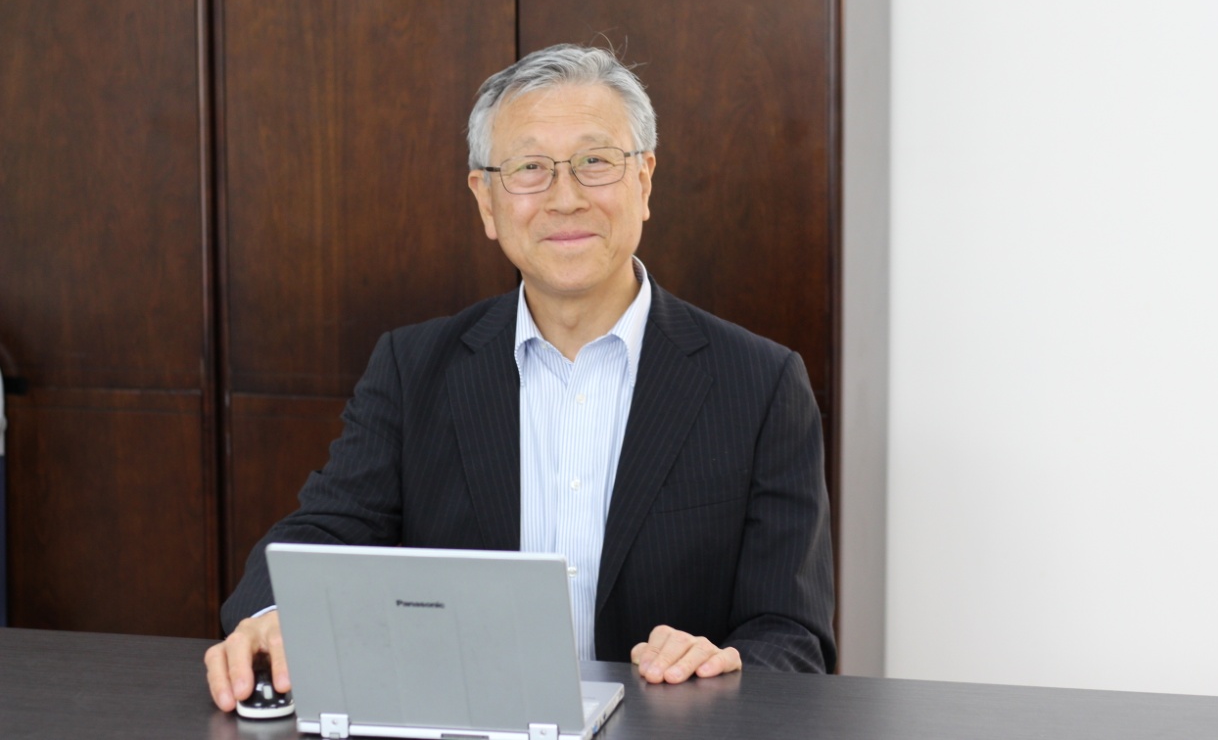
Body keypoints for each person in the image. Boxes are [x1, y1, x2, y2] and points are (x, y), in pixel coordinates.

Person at [205, 44, 836, 713]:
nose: (565, 199)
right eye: (529, 168)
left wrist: (720, 667)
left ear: (644, 180)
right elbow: (323, 533)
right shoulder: (413, 369)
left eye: (595, 162)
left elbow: (791, 634)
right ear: (486, 200)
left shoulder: (760, 384)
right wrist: (275, 617)